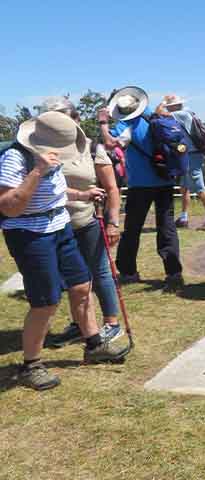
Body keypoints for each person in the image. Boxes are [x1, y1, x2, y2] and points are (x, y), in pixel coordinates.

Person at [0, 112, 131, 390]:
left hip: (60, 226)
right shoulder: (15, 158)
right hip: (30, 235)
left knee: (82, 286)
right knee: (45, 301)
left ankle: (94, 344)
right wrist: (37, 171)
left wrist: (82, 195)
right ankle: (31, 365)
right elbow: (9, 206)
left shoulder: (52, 153)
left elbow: (56, 189)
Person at [32, 97, 124, 347]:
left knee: (99, 272)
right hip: (54, 225)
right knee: (73, 279)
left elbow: (112, 189)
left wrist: (113, 222)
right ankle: (80, 324)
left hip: (87, 220)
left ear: (76, 120)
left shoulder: (93, 149)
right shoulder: (40, 149)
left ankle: (111, 323)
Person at [97, 87, 184, 293]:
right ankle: (174, 272)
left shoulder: (126, 125)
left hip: (140, 183)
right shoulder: (158, 116)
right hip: (165, 179)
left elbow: (110, 143)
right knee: (167, 226)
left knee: (133, 228)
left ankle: (128, 271)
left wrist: (103, 123)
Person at [158, 95, 205, 231]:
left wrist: (162, 104)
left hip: (191, 154)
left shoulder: (179, 114)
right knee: (184, 186)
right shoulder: (187, 113)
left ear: (173, 106)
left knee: (198, 186)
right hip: (190, 153)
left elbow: (159, 114)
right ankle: (184, 217)